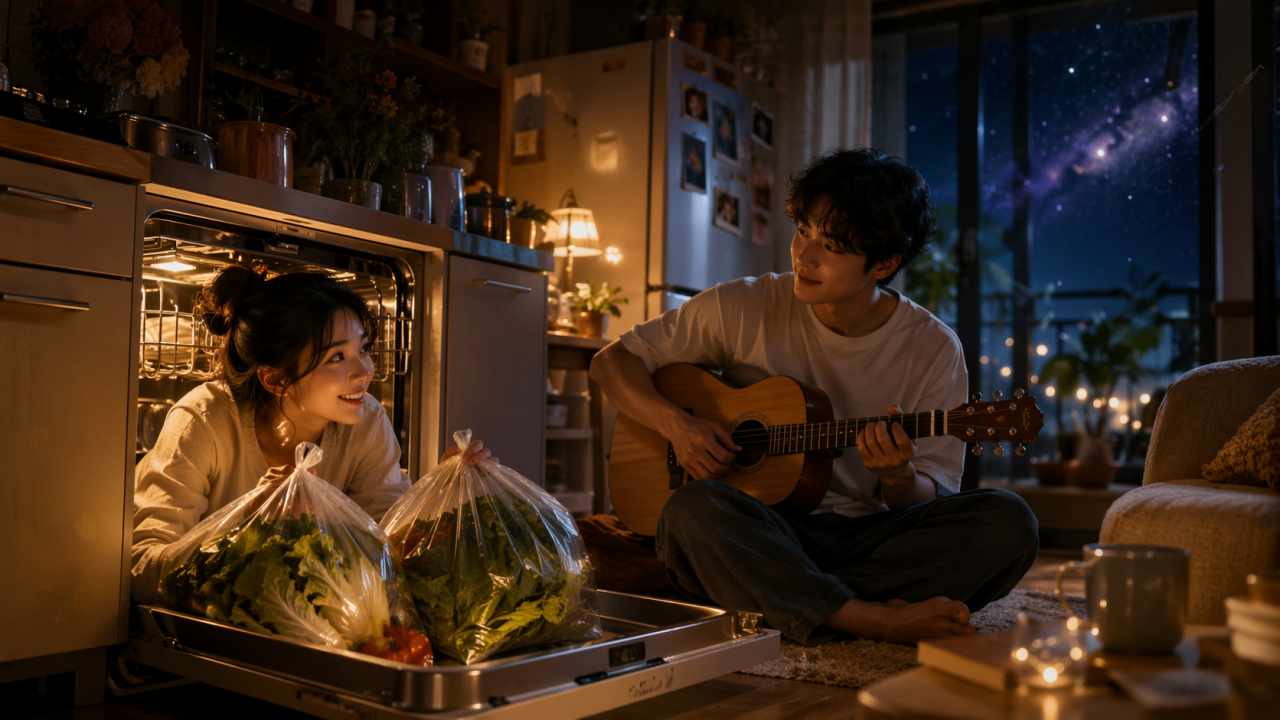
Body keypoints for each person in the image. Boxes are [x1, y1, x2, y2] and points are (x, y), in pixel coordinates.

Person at [590, 149, 1038, 646]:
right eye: (804, 230)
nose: (804, 256)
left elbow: (925, 500)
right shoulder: (743, 304)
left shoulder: (932, 348)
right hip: (767, 526)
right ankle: (872, 618)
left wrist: (897, 476)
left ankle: (794, 599)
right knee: (692, 512)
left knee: (1009, 523)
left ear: (884, 262)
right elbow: (612, 361)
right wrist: (678, 425)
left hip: (867, 539)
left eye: (833, 245)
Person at [131, 267, 492, 603]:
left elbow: (387, 548)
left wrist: (439, 502)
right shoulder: (203, 421)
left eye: (363, 349)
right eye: (337, 357)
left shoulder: (366, 422)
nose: (364, 371)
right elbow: (142, 569)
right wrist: (246, 521)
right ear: (275, 378)